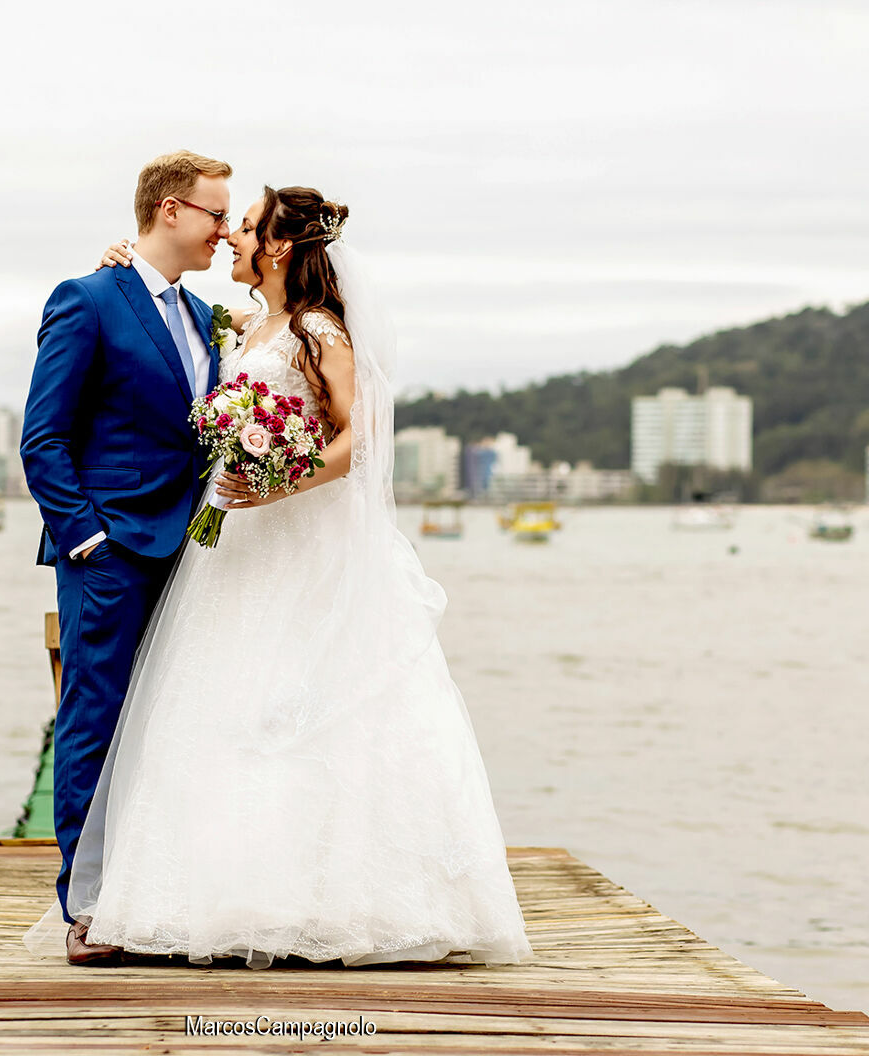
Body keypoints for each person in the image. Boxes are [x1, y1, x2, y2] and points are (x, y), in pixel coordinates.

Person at [60, 185, 532, 968]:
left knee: (307, 709)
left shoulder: (316, 330)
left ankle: (335, 899)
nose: (233, 238)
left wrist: (280, 478)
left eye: (244, 228)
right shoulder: (251, 325)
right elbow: (165, 317)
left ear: (279, 247)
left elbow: (361, 438)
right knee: (226, 711)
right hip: (236, 552)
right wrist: (119, 257)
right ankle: (219, 895)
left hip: (297, 543)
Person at [19, 150, 234, 965]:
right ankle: (85, 903)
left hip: (191, 555)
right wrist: (87, 538)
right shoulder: (87, 299)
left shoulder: (205, 315)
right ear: (172, 211)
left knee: (172, 724)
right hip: (109, 552)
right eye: (216, 214)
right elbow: (44, 438)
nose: (226, 229)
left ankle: (158, 887)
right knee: (95, 719)